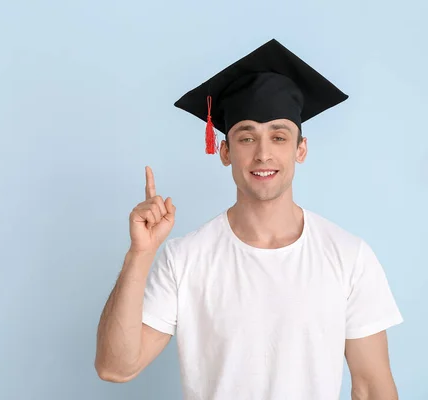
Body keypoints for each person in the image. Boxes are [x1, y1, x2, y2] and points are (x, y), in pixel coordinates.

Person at [94, 39, 404, 399]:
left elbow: (371, 387)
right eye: (246, 138)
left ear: (300, 149)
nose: (263, 154)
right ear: (225, 151)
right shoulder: (185, 258)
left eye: (278, 136)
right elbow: (115, 367)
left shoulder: (349, 256)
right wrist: (140, 254)